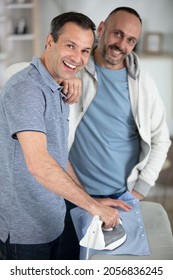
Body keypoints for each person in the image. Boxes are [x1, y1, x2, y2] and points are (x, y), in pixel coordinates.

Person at [0, 11, 131, 260]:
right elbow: (39, 164)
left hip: (53, 221)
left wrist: (90, 200)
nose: (77, 58)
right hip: (24, 233)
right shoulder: (26, 89)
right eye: (70, 45)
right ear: (50, 42)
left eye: (84, 51)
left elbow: (58, 156)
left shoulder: (59, 86)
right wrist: (93, 207)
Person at [58, 7, 171, 259]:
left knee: (112, 268)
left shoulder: (142, 83)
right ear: (101, 29)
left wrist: (139, 190)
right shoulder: (73, 68)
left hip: (121, 199)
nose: (121, 44)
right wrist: (69, 75)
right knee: (66, 264)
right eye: (117, 34)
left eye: (130, 40)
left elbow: (160, 138)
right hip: (73, 195)